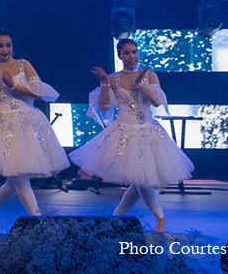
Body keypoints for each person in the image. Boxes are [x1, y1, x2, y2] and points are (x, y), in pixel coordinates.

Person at [68, 38, 194, 233]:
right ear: (119, 55)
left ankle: (152, 218)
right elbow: (103, 107)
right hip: (124, 134)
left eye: (134, 52)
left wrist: (141, 85)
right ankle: (125, 216)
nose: (131, 57)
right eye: (126, 53)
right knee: (140, 180)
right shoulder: (113, 79)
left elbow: (156, 102)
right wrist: (103, 84)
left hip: (147, 132)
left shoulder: (149, 75)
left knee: (141, 179)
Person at [0, 29, 69, 232]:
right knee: (19, 177)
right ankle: (39, 222)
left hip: (27, 124)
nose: (4, 49)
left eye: (8, 45)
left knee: (15, 180)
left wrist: (14, 85)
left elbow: (38, 92)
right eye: (0, 45)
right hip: (3, 127)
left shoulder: (23, 64)